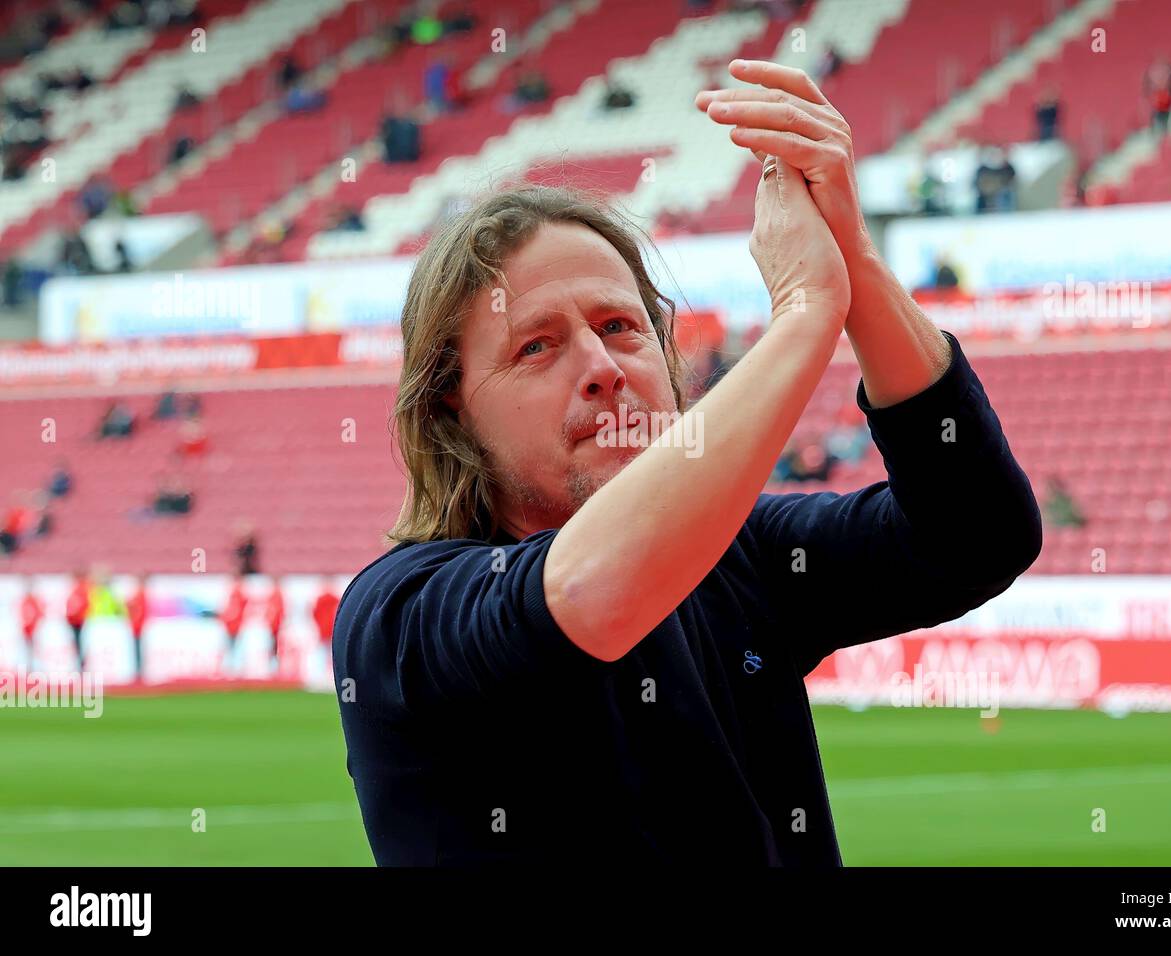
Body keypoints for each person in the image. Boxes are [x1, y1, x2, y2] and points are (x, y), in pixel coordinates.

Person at [332, 59, 1040, 866]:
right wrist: (807, 312)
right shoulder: (401, 615)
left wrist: (856, 265)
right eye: (538, 346)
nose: (603, 366)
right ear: (449, 406)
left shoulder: (738, 560)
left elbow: (978, 534)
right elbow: (587, 594)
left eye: (623, 328)